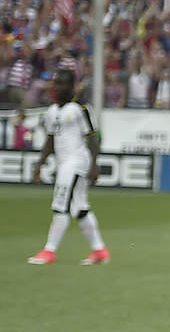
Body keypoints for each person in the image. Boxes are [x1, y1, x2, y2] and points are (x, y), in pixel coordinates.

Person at [26, 69, 110, 266]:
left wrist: (95, 165)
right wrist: (40, 164)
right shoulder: (52, 111)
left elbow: (93, 137)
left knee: (60, 204)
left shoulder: (81, 108)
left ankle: (49, 250)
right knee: (79, 207)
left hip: (76, 161)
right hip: (63, 162)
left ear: (73, 86)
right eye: (56, 83)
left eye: (63, 83)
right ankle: (99, 250)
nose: (58, 87)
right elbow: (49, 140)